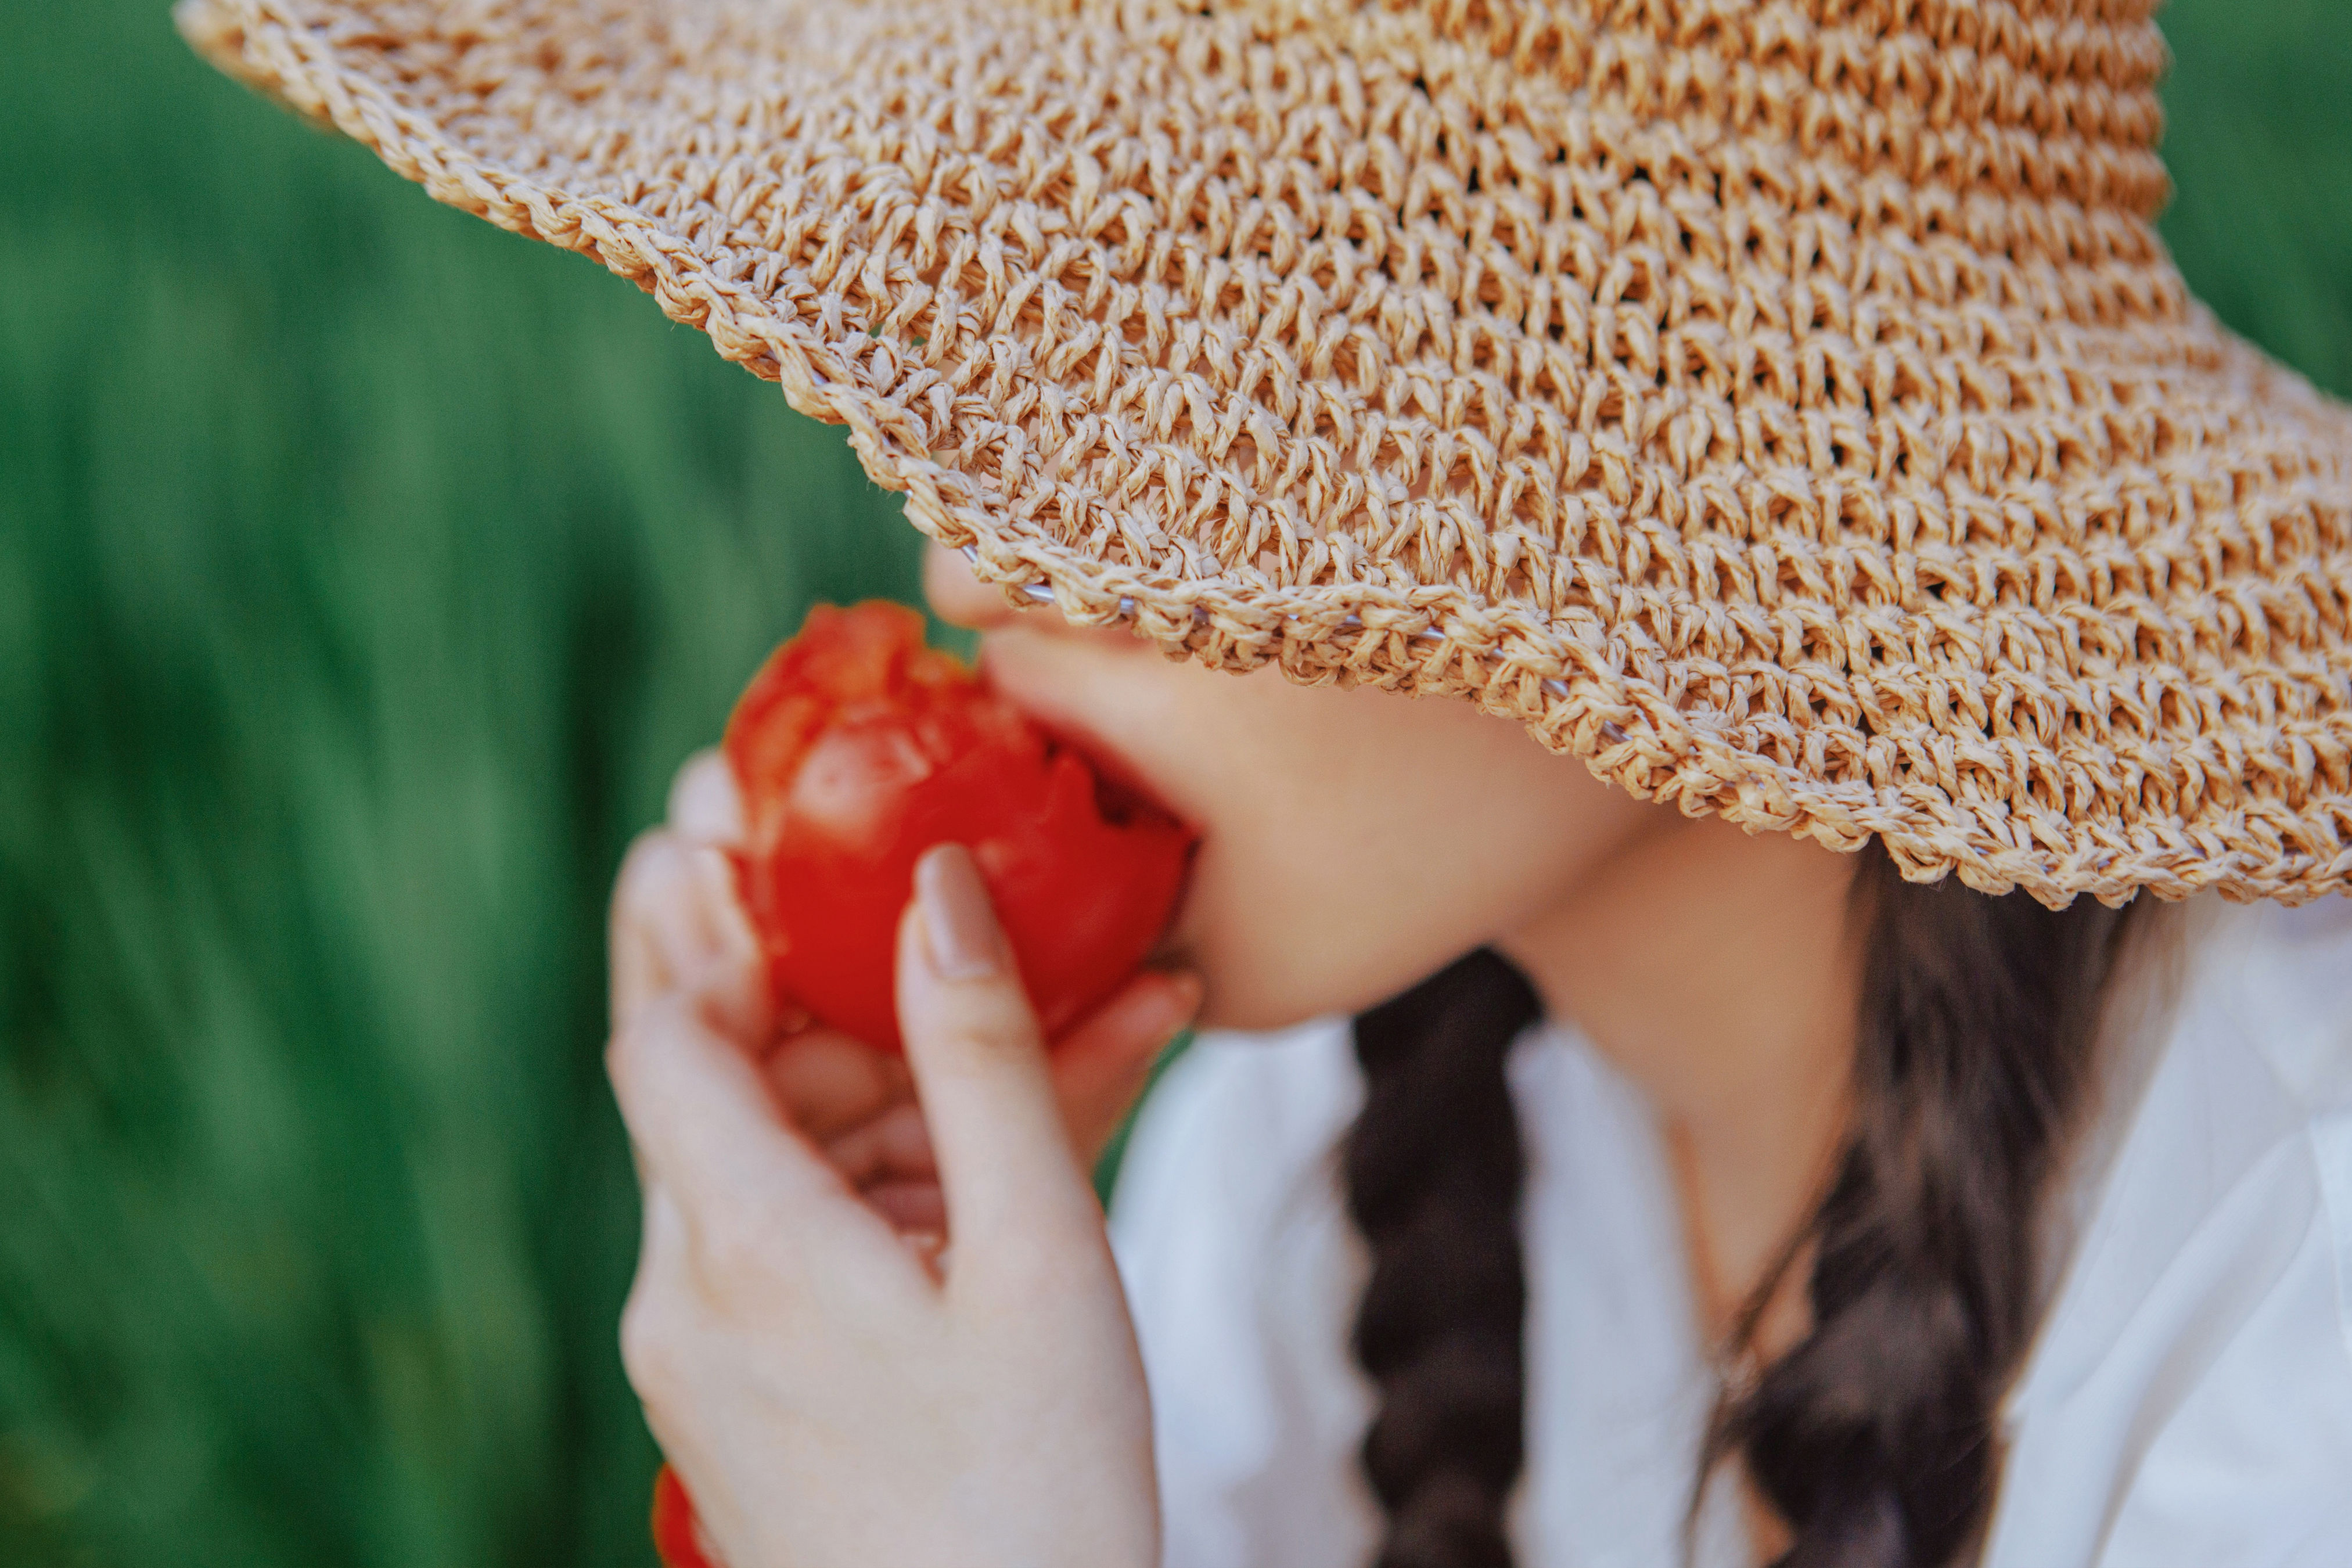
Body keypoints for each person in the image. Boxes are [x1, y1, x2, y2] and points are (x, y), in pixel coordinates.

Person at [184, 1, 2352, 1563]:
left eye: (1190, 389)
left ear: (1693, 464)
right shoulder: (1312, 1146)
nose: (965, 558)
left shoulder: (2302, 1272)